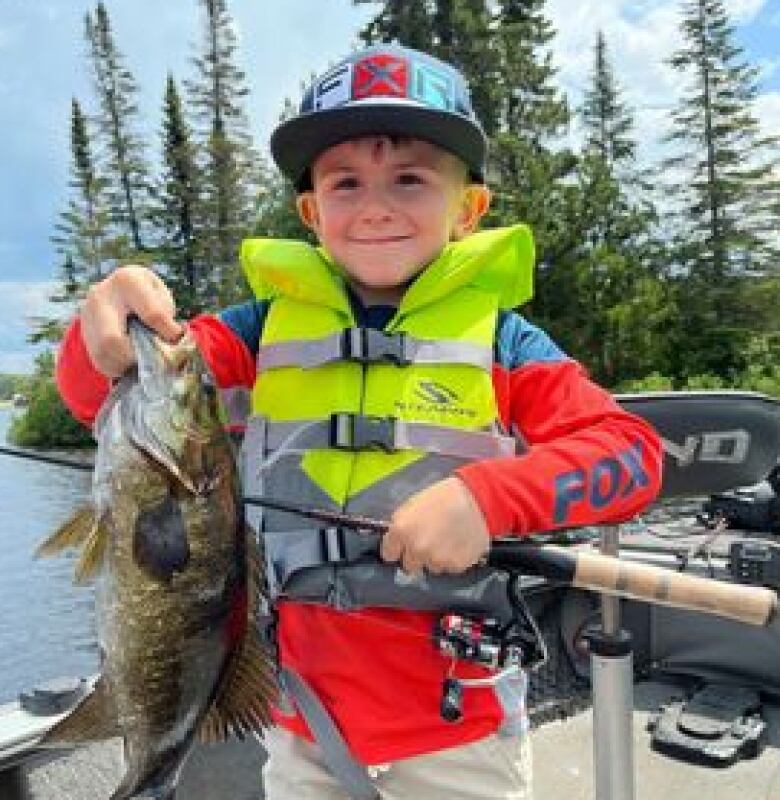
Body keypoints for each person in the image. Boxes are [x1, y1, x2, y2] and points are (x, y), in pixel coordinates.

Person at [56, 43, 662, 800]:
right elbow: (104, 397)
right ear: (311, 212)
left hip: (461, 732)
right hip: (300, 723)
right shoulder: (251, 334)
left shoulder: (507, 344)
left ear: (468, 209)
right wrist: (105, 317)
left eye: (410, 178)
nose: (376, 205)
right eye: (346, 182)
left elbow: (633, 456)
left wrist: (486, 499)